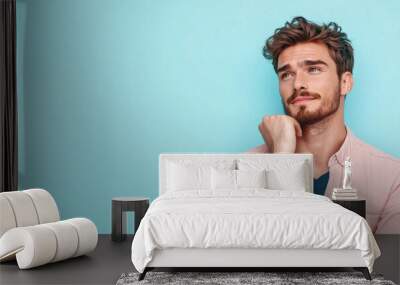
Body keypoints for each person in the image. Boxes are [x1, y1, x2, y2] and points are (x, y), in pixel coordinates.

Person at [249, 16, 400, 234]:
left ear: (345, 83)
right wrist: (281, 155)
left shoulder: (391, 178)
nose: (298, 83)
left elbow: (391, 264)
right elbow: (255, 250)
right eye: (287, 74)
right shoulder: (245, 168)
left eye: (313, 69)